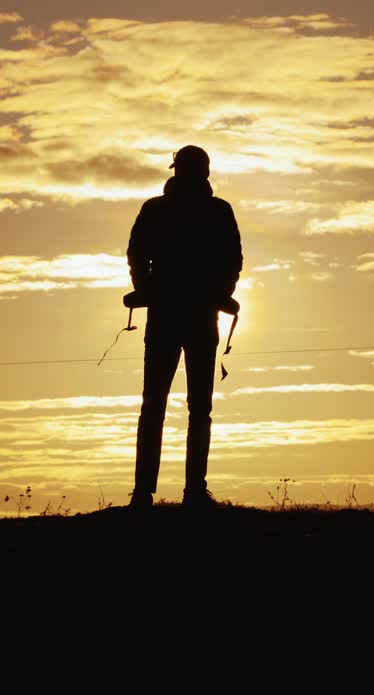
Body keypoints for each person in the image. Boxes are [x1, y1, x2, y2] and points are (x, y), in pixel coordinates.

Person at [126, 145, 242, 509]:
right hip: (192, 315)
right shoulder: (215, 211)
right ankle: (186, 492)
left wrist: (146, 288)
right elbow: (233, 261)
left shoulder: (158, 210)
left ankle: (150, 493)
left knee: (160, 406)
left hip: (173, 314)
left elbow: (136, 254)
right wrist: (220, 292)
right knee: (191, 408)